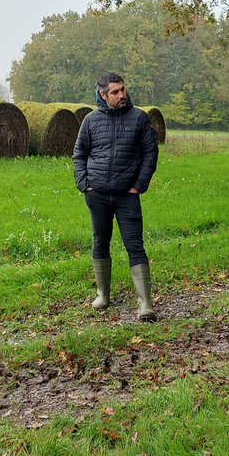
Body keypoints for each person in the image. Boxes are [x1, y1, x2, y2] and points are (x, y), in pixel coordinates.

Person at [72, 72, 160, 321]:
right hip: (97, 194)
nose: (122, 95)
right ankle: (103, 295)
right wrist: (85, 185)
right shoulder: (90, 120)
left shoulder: (139, 118)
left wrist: (139, 185)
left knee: (135, 245)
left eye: (123, 90)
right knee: (100, 242)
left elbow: (150, 153)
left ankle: (146, 304)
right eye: (115, 92)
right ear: (103, 95)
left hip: (127, 196)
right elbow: (79, 154)